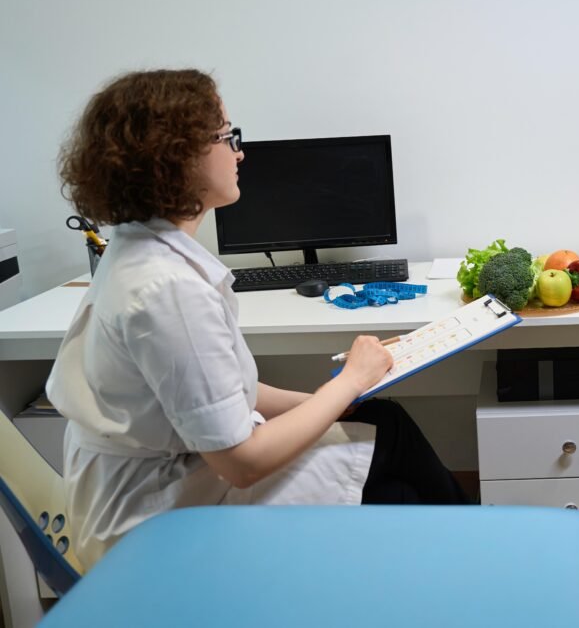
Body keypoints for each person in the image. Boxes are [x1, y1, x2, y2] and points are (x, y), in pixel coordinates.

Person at [47, 69, 468, 569]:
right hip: (153, 526)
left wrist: (331, 399)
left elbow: (224, 392)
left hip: (163, 481)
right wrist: (350, 380)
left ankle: (467, 556)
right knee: (398, 487)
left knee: (385, 421)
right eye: (228, 137)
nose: (240, 152)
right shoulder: (168, 290)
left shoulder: (142, 253)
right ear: (177, 156)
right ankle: (474, 563)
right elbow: (243, 464)